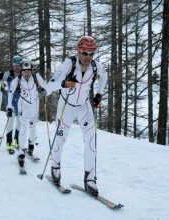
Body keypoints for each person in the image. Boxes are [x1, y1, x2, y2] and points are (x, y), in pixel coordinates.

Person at [45, 36, 107, 196]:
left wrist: (99, 95)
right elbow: (48, 86)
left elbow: (104, 77)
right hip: (66, 106)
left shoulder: (95, 66)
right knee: (61, 138)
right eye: (84, 53)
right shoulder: (69, 64)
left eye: (91, 54)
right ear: (78, 52)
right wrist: (64, 83)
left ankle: (90, 179)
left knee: (91, 141)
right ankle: (55, 166)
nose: (87, 57)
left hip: (84, 107)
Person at [6, 59, 46, 168]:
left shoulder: (37, 78)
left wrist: (43, 90)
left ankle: (31, 144)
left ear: (31, 70)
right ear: (21, 71)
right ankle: (21, 152)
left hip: (34, 107)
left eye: (29, 71)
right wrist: (9, 107)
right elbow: (10, 93)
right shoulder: (17, 80)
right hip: (23, 107)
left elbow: (46, 87)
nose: (27, 73)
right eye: (24, 71)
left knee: (33, 129)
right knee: (23, 128)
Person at [4, 55, 22, 153]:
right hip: (10, 101)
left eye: (18, 65)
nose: (17, 67)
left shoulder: (23, 74)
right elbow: (2, 81)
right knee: (10, 122)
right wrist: (6, 87)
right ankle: (9, 143)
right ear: (13, 65)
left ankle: (16, 140)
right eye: (15, 65)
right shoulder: (9, 74)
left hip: (20, 101)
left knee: (19, 122)